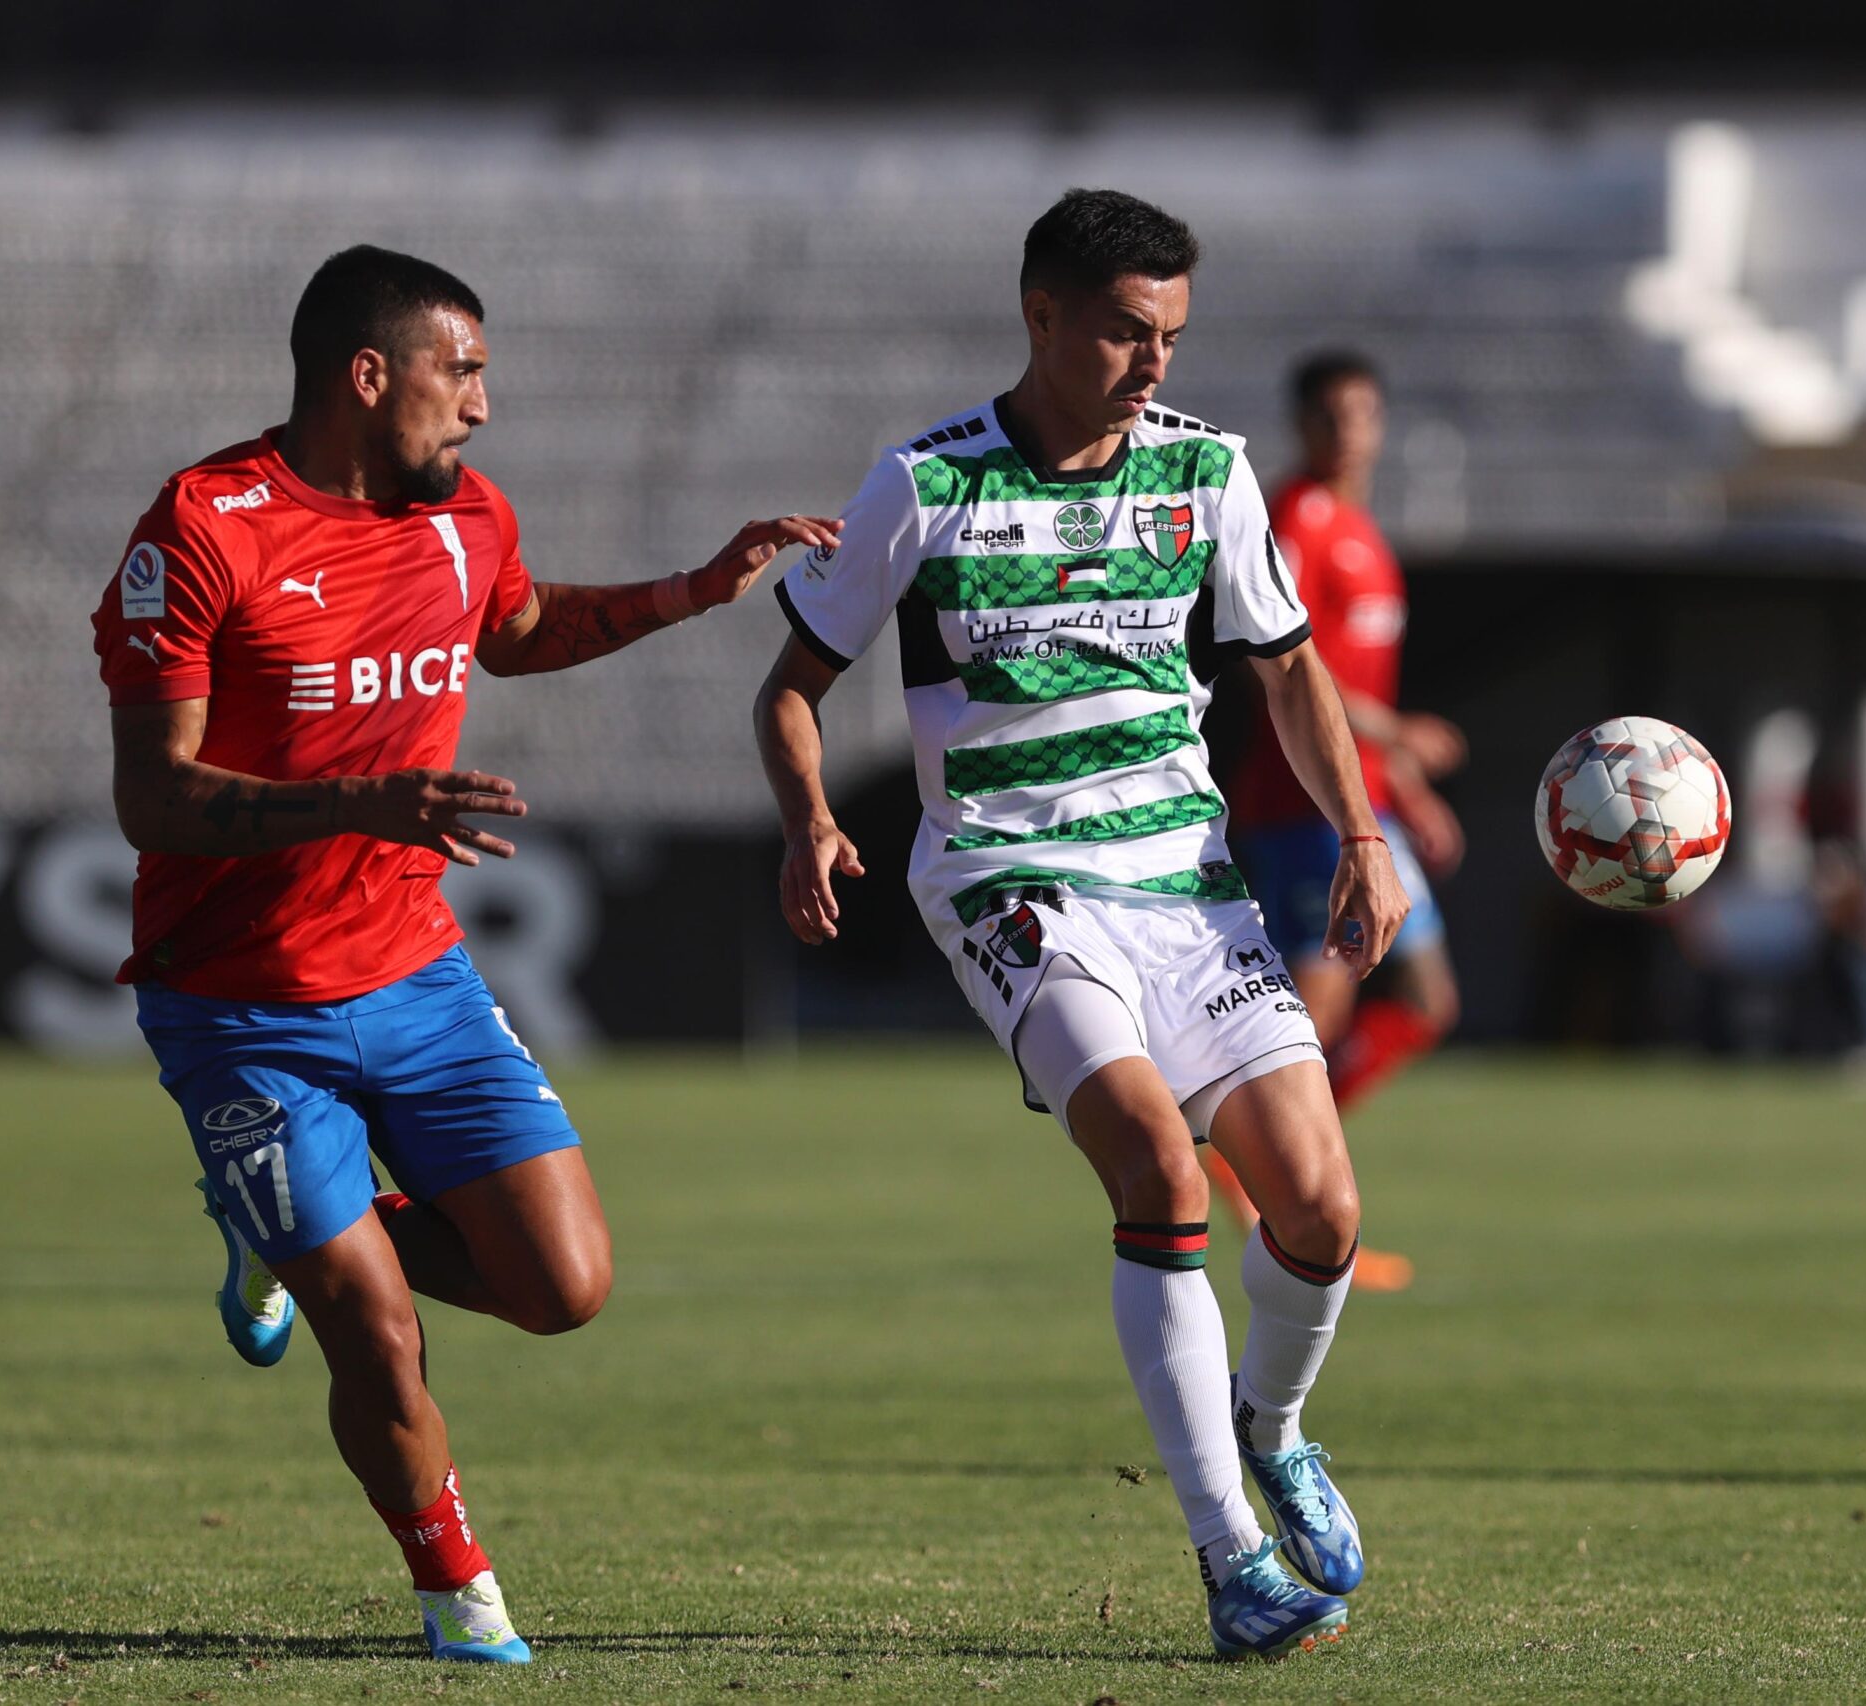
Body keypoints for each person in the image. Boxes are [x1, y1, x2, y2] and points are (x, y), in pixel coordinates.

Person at [91, 244, 837, 1665]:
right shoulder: (203, 528)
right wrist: (356, 803)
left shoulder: (463, 517)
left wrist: (693, 588)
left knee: (564, 1285)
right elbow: (151, 793)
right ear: (370, 376)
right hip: (240, 1006)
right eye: (465, 371)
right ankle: (456, 1588)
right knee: (367, 1316)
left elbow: (525, 625)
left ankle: (282, 1222)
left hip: (415, 973)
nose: (483, 407)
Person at [754, 188, 1406, 1662]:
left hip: (1186, 882)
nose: (1152, 360)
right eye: (1123, 329)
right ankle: (1232, 1558)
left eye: (1170, 332)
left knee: (1322, 1212)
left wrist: (1361, 835)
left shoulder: (1209, 476)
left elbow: (1291, 673)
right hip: (1011, 880)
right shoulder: (925, 482)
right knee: (1157, 1167)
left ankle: (1272, 1423)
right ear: (1042, 317)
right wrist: (811, 818)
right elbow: (789, 683)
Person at [1217, 353, 1466, 1292]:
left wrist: (1403, 778)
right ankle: (1289, 1193)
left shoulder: (1363, 530)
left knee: (1426, 1001)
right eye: (1328, 415)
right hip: (1302, 807)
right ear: (1301, 423)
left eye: (1362, 413)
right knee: (1314, 1020)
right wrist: (1396, 736)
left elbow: (1355, 687)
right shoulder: (1295, 519)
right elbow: (1287, 664)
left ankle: (1271, 1168)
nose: (1346, 431)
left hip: (1363, 806)